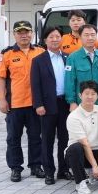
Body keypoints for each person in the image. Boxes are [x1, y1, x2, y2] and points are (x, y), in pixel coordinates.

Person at [0, 21, 45, 183]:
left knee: (36, 137)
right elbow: (1, 78)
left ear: (32, 34)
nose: (24, 35)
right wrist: (2, 99)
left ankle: (36, 165)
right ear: (14, 35)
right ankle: (16, 168)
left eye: (27, 32)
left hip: (35, 104)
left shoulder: (40, 51)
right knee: (13, 138)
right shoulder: (7, 54)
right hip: (15, 104)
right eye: (20, 32)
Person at [30, 26, 70, 185]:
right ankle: (49, 172)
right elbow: (35, 85)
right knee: (47, 140)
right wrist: (38, 104)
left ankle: (63, 169)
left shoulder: (67, 57)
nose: (55, 40)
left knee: (65, 139)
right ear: (45, 40)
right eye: (51, 37)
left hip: (65, 104)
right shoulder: (38, 60)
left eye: (58, 36)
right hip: (47, 105)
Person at [64, 80, 98, 194]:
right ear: (80, 95)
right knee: (76, 148)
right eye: (86, 93)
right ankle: (80, 183)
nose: (90, 97)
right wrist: (95, 166)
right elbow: (85, 144)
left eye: (93, 94)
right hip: (79, 154)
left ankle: (90, 171)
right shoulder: (74, 117)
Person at [64, 24, 98, 110]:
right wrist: (72, 102)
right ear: (80, 37)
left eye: (93, 35)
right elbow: (69, 82)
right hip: (81, 104)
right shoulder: (72, 58)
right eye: (86, 35)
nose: (90, 38)